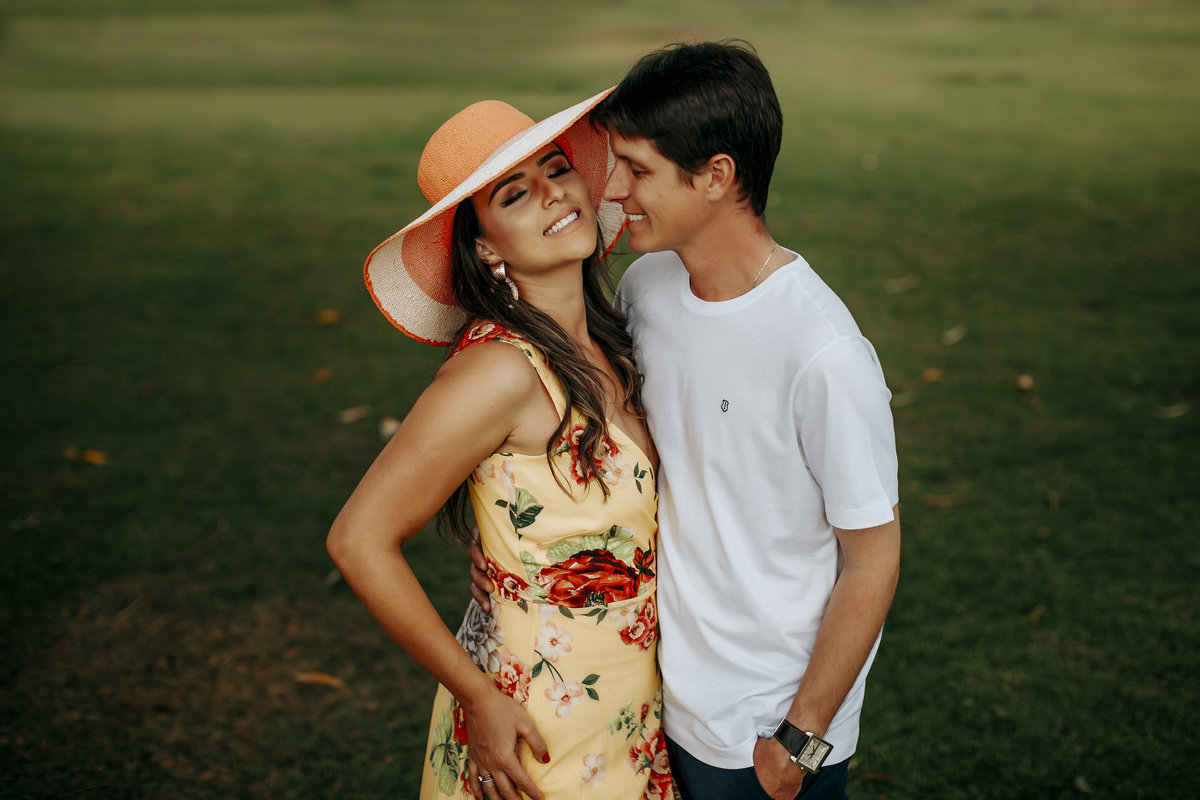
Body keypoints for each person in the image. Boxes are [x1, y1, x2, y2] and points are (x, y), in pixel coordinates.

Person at [471, 41, 901, 800]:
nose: (612, 189)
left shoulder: (824, 355)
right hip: (649, 701)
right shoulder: (646, 289)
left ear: (715, 176)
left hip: (763, 733)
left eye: (637, 170)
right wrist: (508, 547)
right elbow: (610, 455)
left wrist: (799, 738)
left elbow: (872, 562)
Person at [327, 89, 675, 800]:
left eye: (557, 169)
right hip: (537, 729)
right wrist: (477, 696)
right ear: (485, 245)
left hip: (633, 716)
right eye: (515, 195)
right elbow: (358, 539)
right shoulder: (499, 373)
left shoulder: (614, 343)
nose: (552, 194)